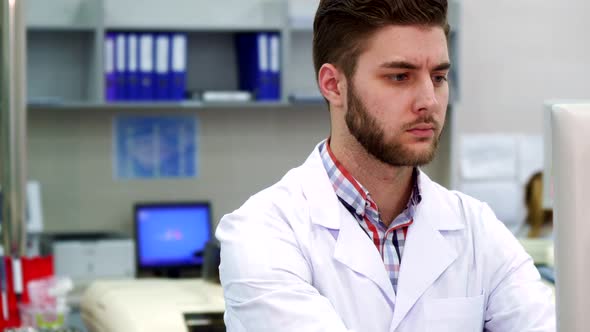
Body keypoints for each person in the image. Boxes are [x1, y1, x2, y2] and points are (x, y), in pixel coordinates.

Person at [215, 0, 556, 330]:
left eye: (438, 77)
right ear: (334, 85)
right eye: (399, 77)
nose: (429, 101)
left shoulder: (478, 230)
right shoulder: (262, 233)